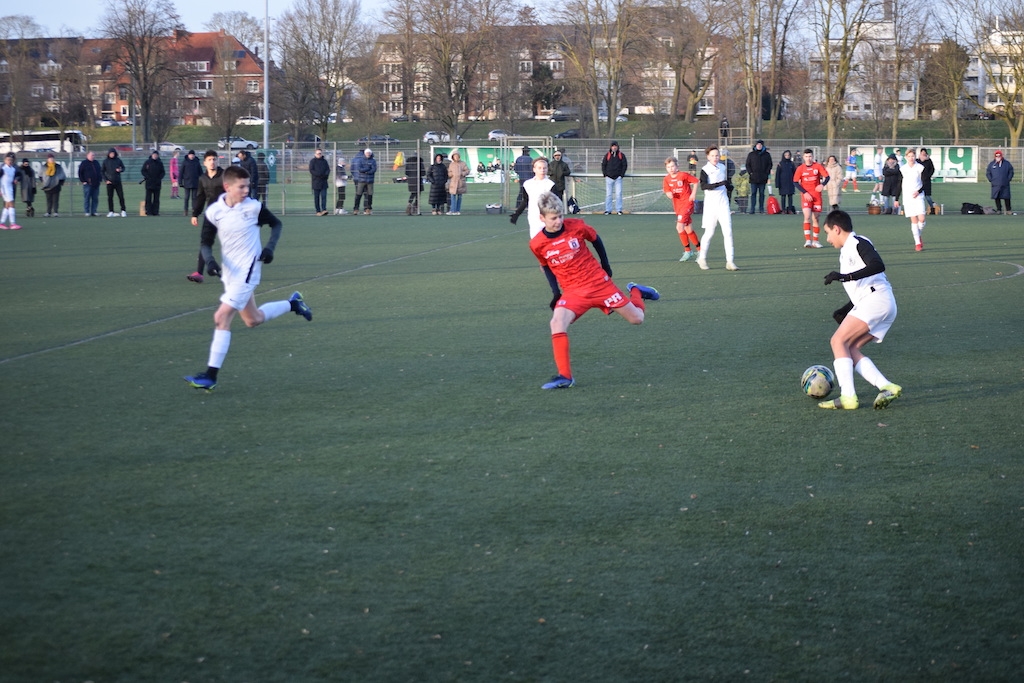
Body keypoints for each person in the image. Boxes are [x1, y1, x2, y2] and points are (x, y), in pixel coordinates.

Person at [183, 165, 313, 393]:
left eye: (248, 186)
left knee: (221, 317)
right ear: (227, 187)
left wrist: (269, 248)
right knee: (253, 320)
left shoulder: (253, 207)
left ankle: (210, 376)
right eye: (241, 187)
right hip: (230, 273)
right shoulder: (214, 211)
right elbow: (205, 242)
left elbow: (276, 224)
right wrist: (210, 261)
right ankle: (293, 304)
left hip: (248, 270)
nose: (246, 191)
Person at [529, 191, 659, 390]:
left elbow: (595, 239)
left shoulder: (576, 226)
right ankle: (565, 377)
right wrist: (555, 292)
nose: (559, 221)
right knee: (556, 323)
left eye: (560, 216)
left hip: (599, 284)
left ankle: (636, 291)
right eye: (553, 218)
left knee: (637, 319)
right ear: (542, 218)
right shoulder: (537, 244)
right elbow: (546, 266)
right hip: (573, 292)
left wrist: (606, 265)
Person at [819, 209, 902, 411]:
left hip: (876, 300)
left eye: (827, 233)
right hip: (879, 301)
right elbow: (862, 286)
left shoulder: (858, 242)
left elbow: (878, 265)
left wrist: (843, 277)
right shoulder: (846, 251)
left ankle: (848, 397)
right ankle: (887, 387)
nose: (827, 239)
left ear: (836, 229)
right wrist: (846, 309)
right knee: (850, 347)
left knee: (837, 341)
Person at [696, 145, 737, 271]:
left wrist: (728, 186)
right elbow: (703, 186)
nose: (715, 157)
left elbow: (725, 183)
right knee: (709, 232)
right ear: (708, 157)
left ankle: (730, 261)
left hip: (723, 204)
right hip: (711, 205)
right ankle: (702, 258)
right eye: (713, 155)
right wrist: (719, 184)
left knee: (728, 232)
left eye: (717, 155)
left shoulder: (722, 167)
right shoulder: (705, 170)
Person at [187, 150, 226, 283]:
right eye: (209, 160)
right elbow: (200, 197)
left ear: (217, 161)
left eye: (214, 159)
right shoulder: (202, 179)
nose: (212, 162)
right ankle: (199, 273)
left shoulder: (225, 176)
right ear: (204, 163)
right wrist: (195, 214)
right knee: (205, 242)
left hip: (226, 215)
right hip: (210, 215)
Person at [663, 157, 700, 261]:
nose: (671, 169)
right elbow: (667, 190)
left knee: (679, 227)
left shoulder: (683, 175)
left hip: (687, 203)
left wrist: (693, 194)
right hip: (678, 206)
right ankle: (699, 249)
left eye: (672, 166)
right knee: (688, 229)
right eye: (668, 167)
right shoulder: (666, 179)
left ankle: (688, 251)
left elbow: (696, 181)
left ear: (677, 166)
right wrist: (668, 194)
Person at [793, 148, 830, 248]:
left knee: (816, 218)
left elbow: (827, 177)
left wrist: (822, 185)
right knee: (807, 216)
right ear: (803, 157)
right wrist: (805, 193)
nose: (808, 158)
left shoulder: (817, 166)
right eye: (806, 156)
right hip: (806, 196)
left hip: (817, 196)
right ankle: (808, 240)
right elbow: (795, 182)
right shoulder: (800, 168)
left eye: (810, 156)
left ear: (812, 156)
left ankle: (816, 241)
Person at [510, 156, 554, 236]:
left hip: (548, 218)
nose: (542, 170)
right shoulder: (528, 184)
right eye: (539, 168)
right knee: (535, 240)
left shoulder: (551, 185)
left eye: (544, 168)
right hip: (533, 217)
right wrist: (517, 213)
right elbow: (526, 200)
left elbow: (555, 204)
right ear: (534, 169)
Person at [900, 148, 927, 251]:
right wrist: (897, 198)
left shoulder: (920, 168)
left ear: (915, 156)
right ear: (906, 157)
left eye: (913, 156)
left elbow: (925, 182)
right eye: (909, 156)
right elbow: (899, 183)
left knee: (922, 219)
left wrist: (918, 191)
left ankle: (918, 235)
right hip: (908, 197)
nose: (911, 158)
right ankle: (917, 243)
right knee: (914, 220)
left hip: (919, 196)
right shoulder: (903, 169)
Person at [745, 140, 773, 214]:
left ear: (762, 146)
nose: (759, 146)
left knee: (762, 193)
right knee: (753, 193)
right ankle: (752, 209)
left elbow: (770, 164)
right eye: (758, 145)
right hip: (753, 178)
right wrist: (750, 173)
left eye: (760, 145)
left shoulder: (767, 155)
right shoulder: (751, 154)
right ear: (756, 146)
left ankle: (761, 209)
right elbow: (747, 164)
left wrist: (766, 173)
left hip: (763, 178)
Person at [602, 141, 627, 214]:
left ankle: (619, 210)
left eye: (615, 146)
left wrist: (621, 175)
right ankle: (608, 210)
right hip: (609, 178)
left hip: (618, 178)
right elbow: (603, 165)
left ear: (617, 147)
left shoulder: (621, 155)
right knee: (608, 194)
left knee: (618, 194)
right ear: (611, 147)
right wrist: (605, 174)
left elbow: (624, 165)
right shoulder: (607, 155)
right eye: (613, 146)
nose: (614, 147)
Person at [986, 150, 1014, 215]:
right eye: (996, 156)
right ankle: (999, 209)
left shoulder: (1007, 163)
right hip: (995, 184)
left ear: (1001, 156)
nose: (998, 157)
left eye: (999, 156)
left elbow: (1011, 171)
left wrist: (1008, 179)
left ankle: (1008, 210)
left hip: (1005, 183)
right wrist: (991, 179)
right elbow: (988, 172)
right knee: (997, 197)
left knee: (1006, 197)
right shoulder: (992, 164)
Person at [351, 148, 377, 215]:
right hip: (361, 180)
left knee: (370, 195)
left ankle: (368, 208)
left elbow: (374, 169)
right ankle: (356, 209)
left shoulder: (373, 161)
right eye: (367, 153)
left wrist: (367, 172)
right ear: (364, 154)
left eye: (369, 153)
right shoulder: (360, 160)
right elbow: (360, 169)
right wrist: (368, 168)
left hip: (370, 180)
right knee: (358, 194)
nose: (368, 154)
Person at [102, 148, 127, 217]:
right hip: (109, 182)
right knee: (110, 197)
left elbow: (123, 168)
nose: (112, 155)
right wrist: (106, 180)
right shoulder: (105, 161)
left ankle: (123, 210)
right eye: (110, 153)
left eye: (113, 153)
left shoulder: (118, 160)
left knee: (121, 196)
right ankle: (111, 211)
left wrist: (120, 170)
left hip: (117, 181)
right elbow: (102, 171)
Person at [41, 153, 66, 217]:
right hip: (47, 185)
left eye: (52, 158)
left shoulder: (58, 166)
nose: (51, 159)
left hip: (56, 185)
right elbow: (40, 175)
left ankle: (55, 212)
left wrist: (60, 182)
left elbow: (62, 175)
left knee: (55, 200)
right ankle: (48, 212)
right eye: (50, 158)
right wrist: (44, 182)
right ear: (47, 159)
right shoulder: (44, 166)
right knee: (48, 200)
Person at [0, 153, 22, 230]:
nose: (9, 161)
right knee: (11, 204)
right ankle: (13, 224)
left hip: (10, 188)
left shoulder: (13, 169)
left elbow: (18, 175)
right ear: (5, 161)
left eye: (11, 160)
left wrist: (16, 179)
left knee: (7, 206)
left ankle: (1, 223)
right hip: (4, 189)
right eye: (8, 160)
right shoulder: (3, 169)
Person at [78, 151, 102, 217]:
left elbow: (100, 171)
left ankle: (94, 211)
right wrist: (83, 181)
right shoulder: (84, 163)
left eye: (93, 155)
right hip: (88, 184)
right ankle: (87, 211)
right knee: (87, 198)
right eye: (91, 155)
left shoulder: (96, 163)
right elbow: (80, 172)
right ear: (87, 156)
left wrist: (100, 179)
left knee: (95, 198)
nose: (93, 156)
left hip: (96, 184)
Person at [141, 150, 165, 216]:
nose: (155, 156)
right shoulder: (147, 162)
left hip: (157, 184)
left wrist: (159, 178)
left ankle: (155, 212)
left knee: (156, 198)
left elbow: (163, 172)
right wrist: (147, 177)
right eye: (154, 155)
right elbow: (143, 171)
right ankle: (148, 211)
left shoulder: (160, 163)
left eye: (156, 155)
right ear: (152, 155)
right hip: (149, 183)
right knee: (148, 198)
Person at [308, 148, 331, 216]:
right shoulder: (312, 161)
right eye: (318, 153)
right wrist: (318, 175)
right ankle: (318, 211)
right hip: (316, 182)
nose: (319, 154)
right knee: (316, 197)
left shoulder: (324, 161)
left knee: (324, 196)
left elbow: (328, 169)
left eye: (320, 153)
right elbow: (311, 170)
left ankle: (324, 209)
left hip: (324, 182)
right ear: (315, 154)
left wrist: (325, 175)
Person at [447, 151, 469, 215]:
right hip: (453, 182)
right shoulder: (451, 164)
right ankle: (452, 210)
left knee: (459, 197)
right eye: (454, 156)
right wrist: (451, 174)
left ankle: (457, 210)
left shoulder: (463, 163)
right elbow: (449, 171)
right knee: (452, 196)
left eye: (457, 156)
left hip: (460, 182)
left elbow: (467, 170)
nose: (456, 157)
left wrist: (462, 173)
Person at [180, 150, 201, 216]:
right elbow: (181, 172)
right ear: (188, 155)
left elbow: (200, 172)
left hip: (195, 182)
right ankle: (185, 210)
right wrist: (180, 182)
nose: (192, 156)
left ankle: (194, 210)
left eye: (193, 155)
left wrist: (202, 181)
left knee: (194, 198)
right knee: (186, 197)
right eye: (191, 155)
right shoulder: (185, 162)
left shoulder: (197, 162)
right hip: (187, 182)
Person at [775, 150, 797, 214]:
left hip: (790, 182)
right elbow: (777, 174)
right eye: (785, 155)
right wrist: (777, 183)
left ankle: (790, 209)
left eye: (788, 155)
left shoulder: (792, 164)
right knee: (783, 196)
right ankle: (783, 209)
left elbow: (795, 173)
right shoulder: (780, 164)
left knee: (790, 196)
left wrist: (795, 181)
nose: (787, 156)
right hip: (782, 183)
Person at [918, 148, 935, 212]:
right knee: (918, 196)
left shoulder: (929, 161)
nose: (923, 154)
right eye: (922, 153)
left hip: (926, 181)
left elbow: (932, 169)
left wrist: (928, 176)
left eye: (924, 153)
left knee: (927, 196)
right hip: (919, 181)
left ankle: (932, 208)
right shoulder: (917, 161)